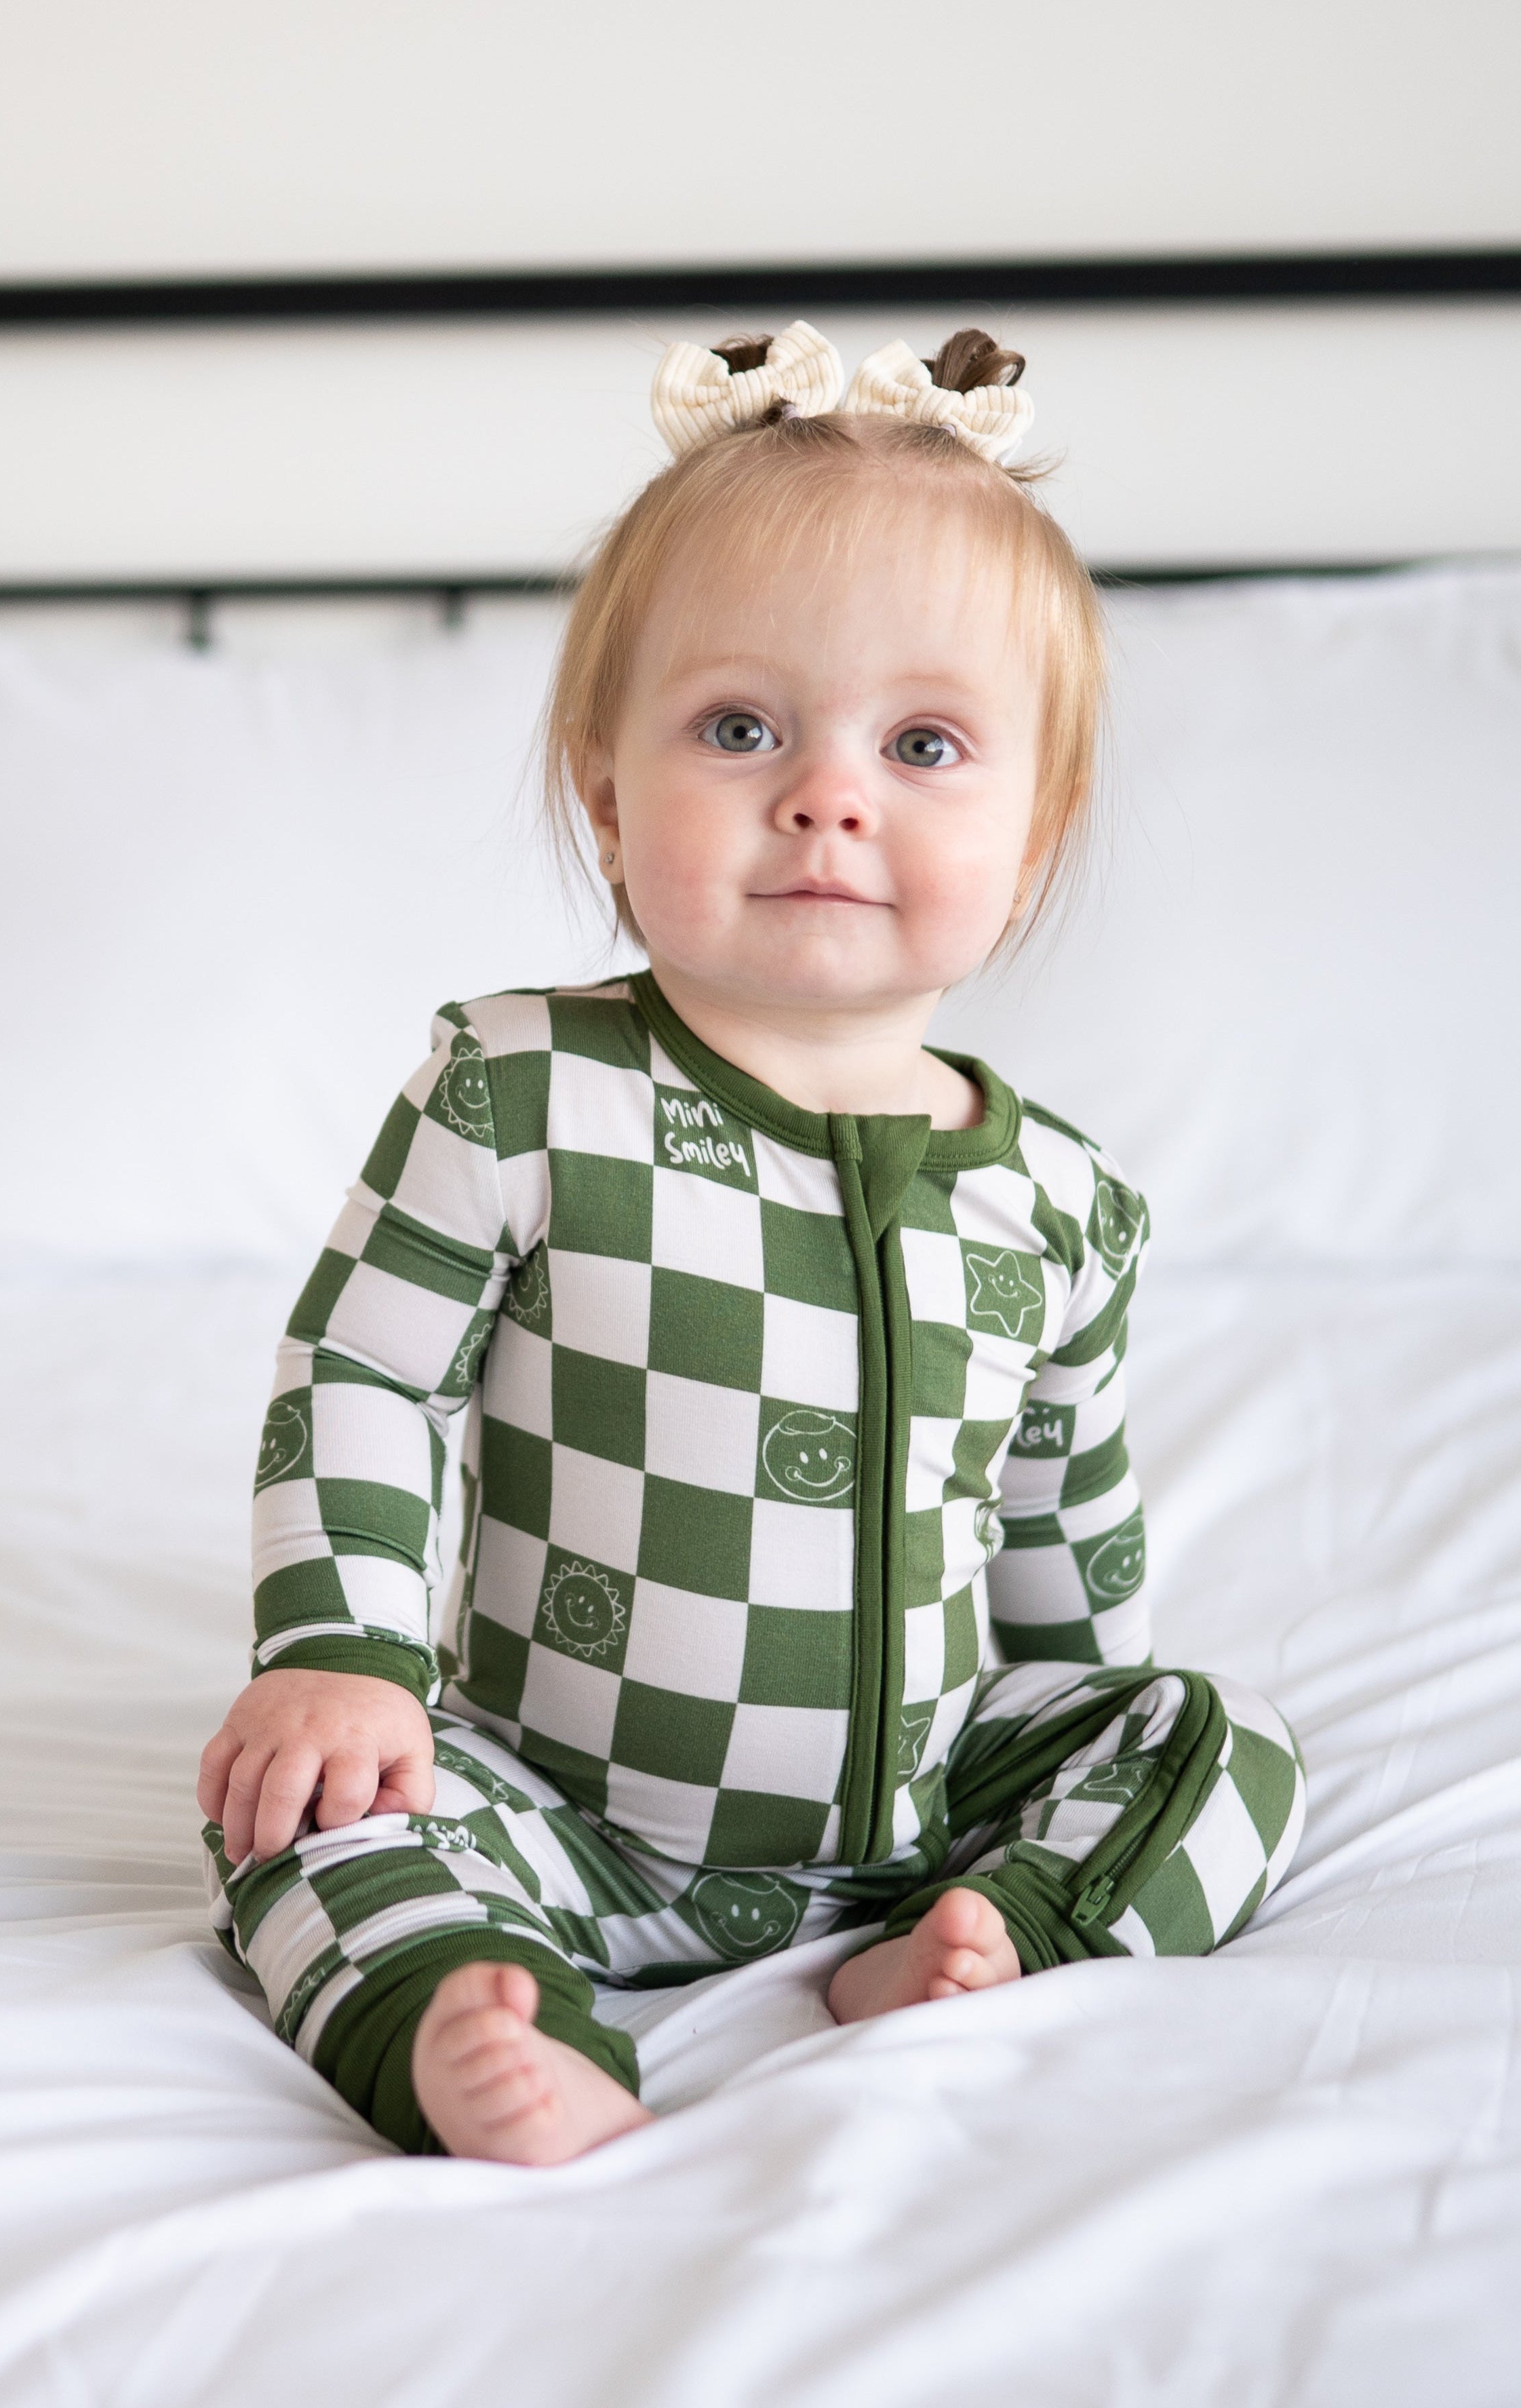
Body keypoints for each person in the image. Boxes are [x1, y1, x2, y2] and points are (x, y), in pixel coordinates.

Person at [197, 322, 1305, 2167]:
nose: (828, 793)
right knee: (299, 1803)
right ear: (614, 793)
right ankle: (470, 2009)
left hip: (926, 1807)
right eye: (739, 728)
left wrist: (1081, 1753)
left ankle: (1002, 1936)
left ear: (1036, 836)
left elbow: (1059, 1539)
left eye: (927, 743)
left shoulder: (1065, 1201)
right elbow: (366, 1373)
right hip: (558, 1796)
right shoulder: (522, 1092)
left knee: (1222, 1732)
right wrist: (347, 1652)